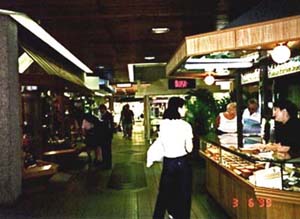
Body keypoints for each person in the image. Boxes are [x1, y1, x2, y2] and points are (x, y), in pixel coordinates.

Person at [147, 97, 193, 219]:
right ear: (178, 108)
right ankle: (180, 216)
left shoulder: (163, 124)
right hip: (182, 162)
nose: (185, 110)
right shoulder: (185, 125)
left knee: (165, 192)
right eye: (183, 107)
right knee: (183, 192)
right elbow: (189, 148)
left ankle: (162, 215)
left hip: (168, 163)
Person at [99, 104, 114, 169]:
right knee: (105, 150)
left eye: (101, 109)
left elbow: (109, 126)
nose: (100, 111)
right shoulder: (104, 115)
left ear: (104, 109)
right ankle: (106, 163)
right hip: (105, 135)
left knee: (106, 150)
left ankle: (107, 164)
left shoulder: (107, 116)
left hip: (106, 136)